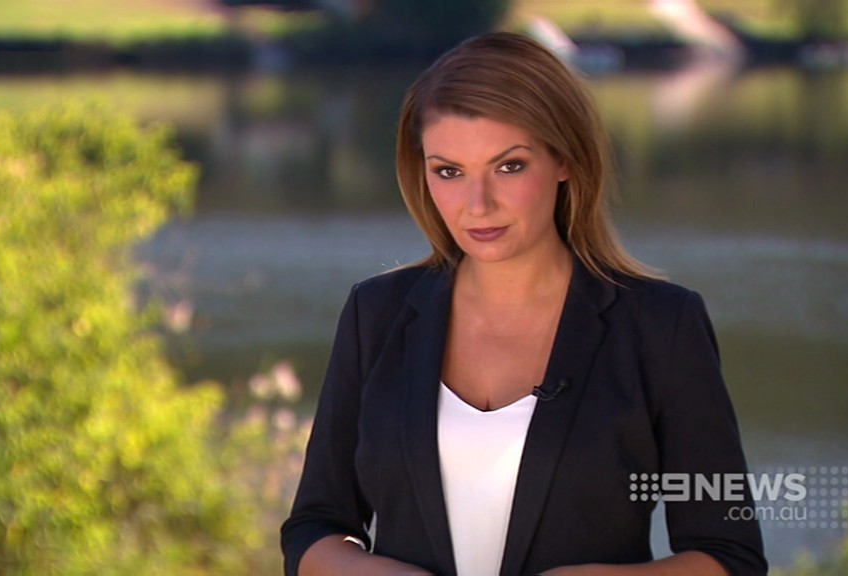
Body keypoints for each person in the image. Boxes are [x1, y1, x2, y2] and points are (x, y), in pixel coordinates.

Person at [281, 32, 767, 576]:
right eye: (449, 171)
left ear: (565, 160)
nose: (478, 204)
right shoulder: (376, 313)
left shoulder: (661, 326)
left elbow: (729, 556)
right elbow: (314, 529)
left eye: (509, 166)